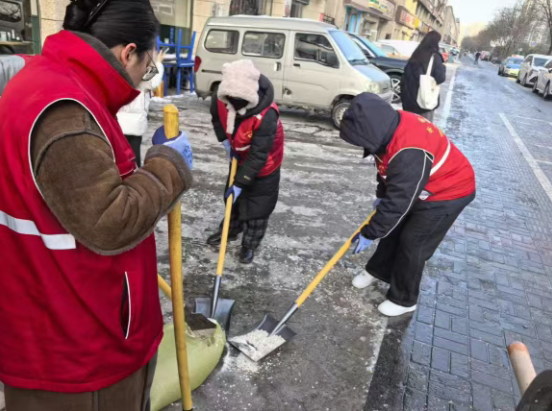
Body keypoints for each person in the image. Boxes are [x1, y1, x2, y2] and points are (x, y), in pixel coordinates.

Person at [0, 1, 194, 410]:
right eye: (148, 66)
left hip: (60, 328)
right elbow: (110, 220)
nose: (143, 78)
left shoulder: (52, 82)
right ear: (128, 53)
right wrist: (168, 164)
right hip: (80, 354)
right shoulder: (65, 111)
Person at [340, 93, 476, 317]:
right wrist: (382, 196)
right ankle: (378, 271)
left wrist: (370, 232)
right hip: (421, 186)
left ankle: (404, 299)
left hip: (448, 192)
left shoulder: (409, 151)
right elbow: (387, 171)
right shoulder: (387, 128)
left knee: (413, 242)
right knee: (393, 230)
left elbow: (399, 201)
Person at [208, 59, 284, 264]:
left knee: (258, 208)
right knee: (232, 200)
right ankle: (229, 231)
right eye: (229, 100)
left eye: (238, 101)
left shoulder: (267, 115)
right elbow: (217, 118)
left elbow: (259, 156)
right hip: (239, 155)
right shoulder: (221, 97)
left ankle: (250, 244)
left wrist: (241, 183)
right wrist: (225, 140)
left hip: (266, 164)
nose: (232, 105)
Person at [117, 49, 165, 166]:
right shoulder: (140, 75)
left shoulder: (119, 71)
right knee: (133, 158)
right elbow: (153, 82)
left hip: (118, 121)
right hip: (134, 124)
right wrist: (158, 63)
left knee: (119, 157)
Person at [401, 31, 446, 122]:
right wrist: (443, 67)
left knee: (408, 125)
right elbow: (440, 78)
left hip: (408, 99)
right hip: (423, 101)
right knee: (423, 127)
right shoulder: (434, 57)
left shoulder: (416, 54)